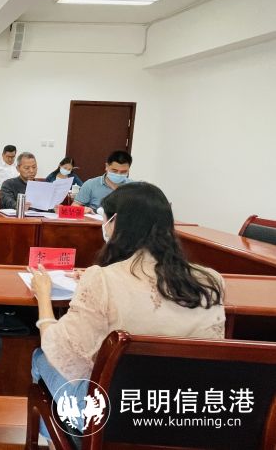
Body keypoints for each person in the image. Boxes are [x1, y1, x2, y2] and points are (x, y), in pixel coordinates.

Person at [28, 182, 225, 440]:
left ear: (116, 223)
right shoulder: (211, 280)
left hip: (113, 415)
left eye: (104, 218)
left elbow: (60, 350)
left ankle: (67, 440)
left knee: (41, 356)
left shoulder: (103, 279)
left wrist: (44, 295)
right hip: (184, 412)